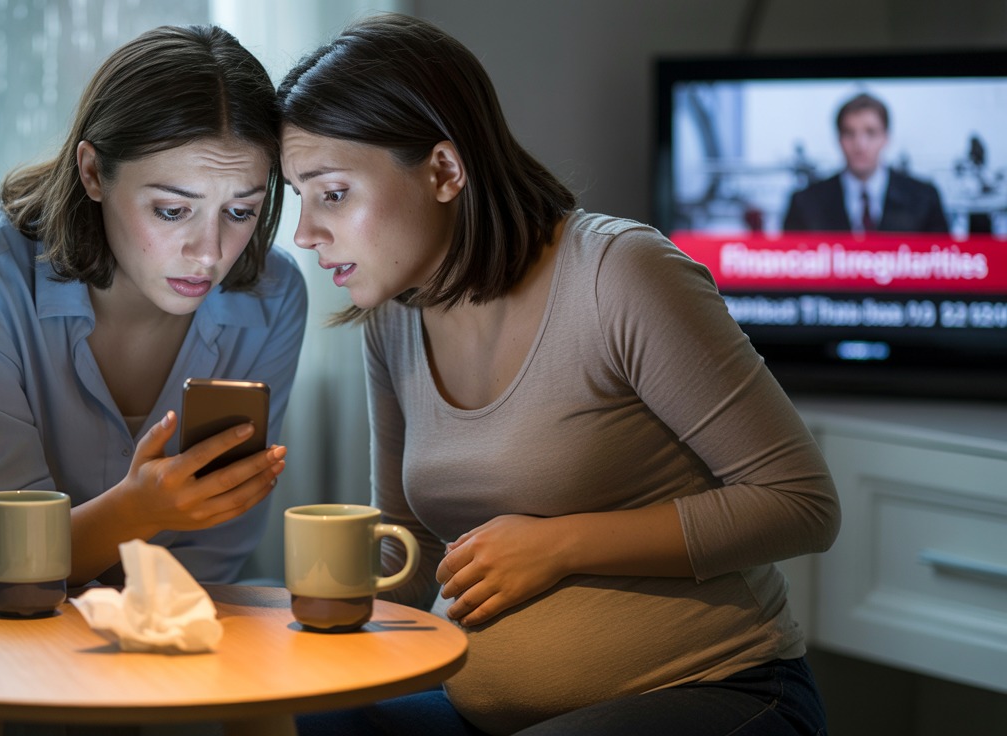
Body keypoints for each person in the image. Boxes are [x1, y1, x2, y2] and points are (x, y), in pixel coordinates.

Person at [278, 13, 839, 736]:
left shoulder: (619, 275)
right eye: (298, 197)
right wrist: (306, 621)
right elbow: (409, 544)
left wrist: (560, 545)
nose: (304, 233)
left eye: (331, 193)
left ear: (444, 171)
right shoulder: (393, 316)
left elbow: (801, 503)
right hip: (486, 713)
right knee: (297, 721)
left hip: (722, 689)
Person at [0, 24, 306, 736]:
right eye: (172, 210)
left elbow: (212, 562)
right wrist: (140, 511)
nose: (209, 252)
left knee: (258, 698)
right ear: (92, 172)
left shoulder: (271, 296)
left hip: (141, 622)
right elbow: (6, 565)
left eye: (240, 211)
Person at [782, 92, 948, 234]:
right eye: (849, 133)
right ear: (839, 139)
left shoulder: (924, 199)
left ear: (886, 138)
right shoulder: (805, 202)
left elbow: (943, 258)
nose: (860, 145)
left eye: (871, 133)